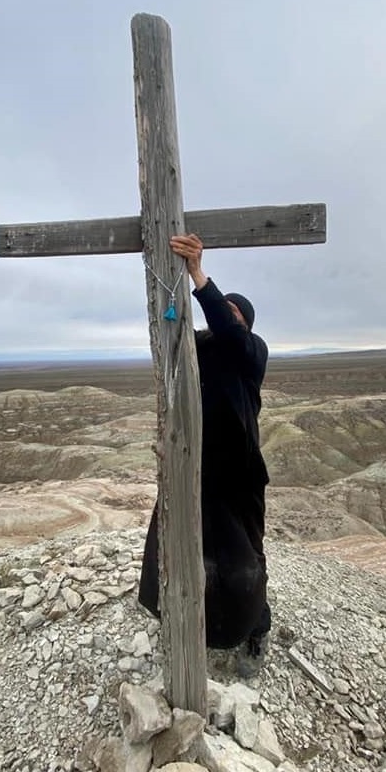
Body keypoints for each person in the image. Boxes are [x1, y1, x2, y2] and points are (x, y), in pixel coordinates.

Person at [139, 233, 271, 675]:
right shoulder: (205, 346)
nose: (227, 319)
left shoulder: (251, 351)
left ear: (247, 323)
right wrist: (168, 282)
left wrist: (198, 274)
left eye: (236, 314)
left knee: (247, 552)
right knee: (175, 541)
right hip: (192, 464)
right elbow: (172, 332)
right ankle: (175, 618)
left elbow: (230, 331)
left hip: (239, 472)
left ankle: (256, 627)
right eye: (225, 311)